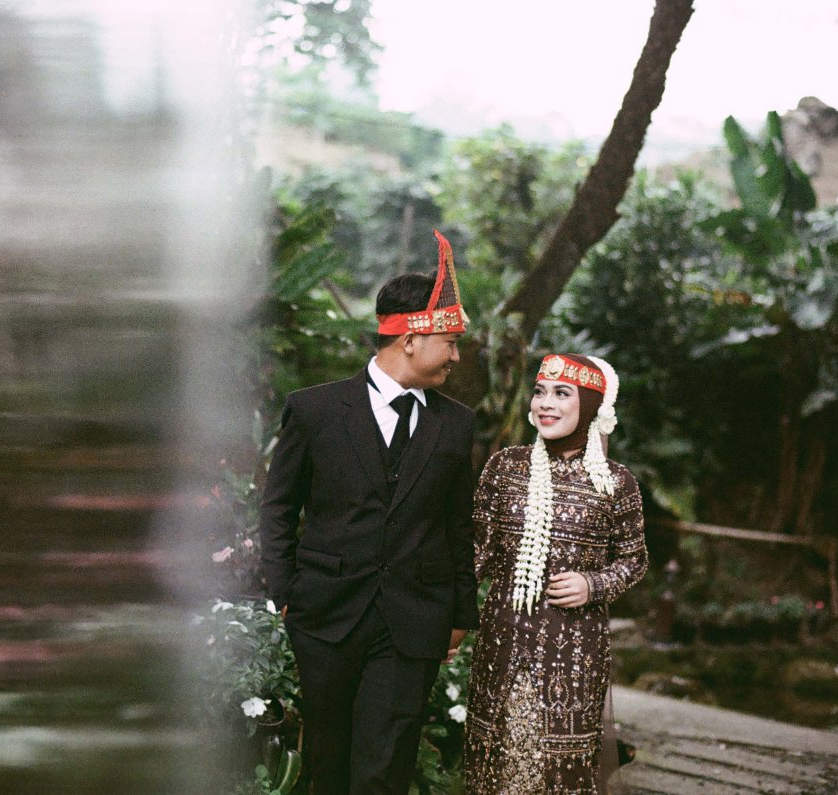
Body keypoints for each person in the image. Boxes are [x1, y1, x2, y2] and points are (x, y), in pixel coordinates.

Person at [259, 231, 479, 795]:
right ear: (411, 339)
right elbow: (279, 507)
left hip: (414, 619)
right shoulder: (314, 410)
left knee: (385, 765)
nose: (456, 356)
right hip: (325, 615)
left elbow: (458, 523)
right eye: (450, 342)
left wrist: (460, 611)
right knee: (328, 759)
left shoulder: (456, 424)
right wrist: (285, 591)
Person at [463, 353, 648, 794]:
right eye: (540, 392)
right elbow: (474, 556)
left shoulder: (615, 482)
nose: (545, 403)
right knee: (495, 759)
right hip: (502, 642)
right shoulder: (504, 467)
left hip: (575, 650)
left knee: (560, 769)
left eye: (562, 393)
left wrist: (592, 584)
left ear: (591, 405)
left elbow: (634, 560)